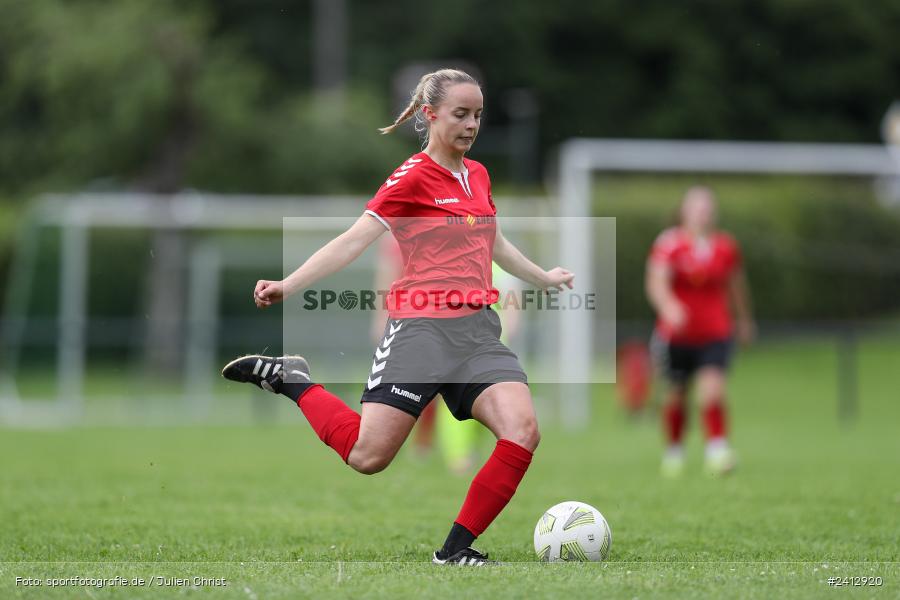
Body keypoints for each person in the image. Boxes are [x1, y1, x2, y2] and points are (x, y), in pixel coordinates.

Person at [222, 69, 574, 565]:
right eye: (460, 114)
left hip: (477, 332)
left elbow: (492, 240)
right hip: (421, 331)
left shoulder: (478, 175)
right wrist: (289, 284)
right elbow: (352, 240)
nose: (471, 124)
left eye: (477, 114)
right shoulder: (411, 177)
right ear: (429, 115)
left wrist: (541, 277)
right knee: (369, 457)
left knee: (523, 430)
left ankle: (455, 551)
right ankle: (293, 380)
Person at [645, 186, 754, 477]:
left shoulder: (725, 247)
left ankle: (717, 451)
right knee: (676, 395)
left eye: (707, 209)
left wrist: (743, 320)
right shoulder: (670, 244)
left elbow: (736, 286)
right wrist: (669, 307)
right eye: (697, 209)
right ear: (684, 211)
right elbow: (656, 283)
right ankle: (674, 452)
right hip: (677, 335)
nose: (702, 215)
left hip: (715, 331)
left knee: (712, 390)